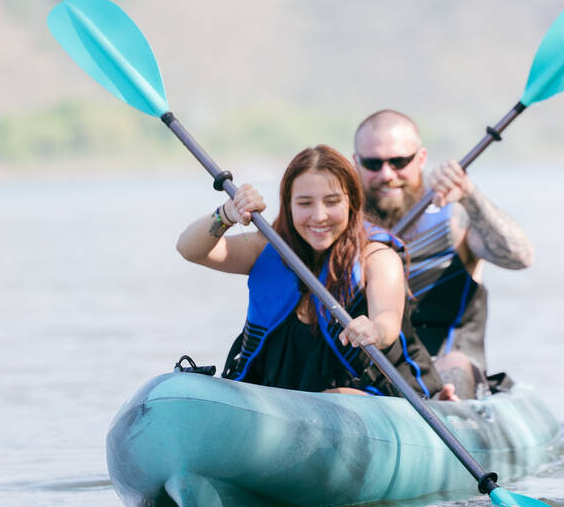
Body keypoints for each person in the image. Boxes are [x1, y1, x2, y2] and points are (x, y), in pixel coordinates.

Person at [176, 144, 455, 399]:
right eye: (305, 203)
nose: (319, 215)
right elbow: (190, 249)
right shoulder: (266, 249)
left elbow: (388, 323)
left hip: (372, 396)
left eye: (332, 201)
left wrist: (373, 329)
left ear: (352, 202)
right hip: (280, 403)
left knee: (340, 397)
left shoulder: (378, 257)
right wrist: (227, 213)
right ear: (288, 205)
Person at [353, 110, 534, 399]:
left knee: (453, 365)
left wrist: (469, 195)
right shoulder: (345, 228)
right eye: (373, 164)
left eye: (399, 162)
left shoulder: (454, 217)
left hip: (453, 373)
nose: (387, 175)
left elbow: (520, 257)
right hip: (379, 376)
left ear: (421, 158)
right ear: (356, 163)